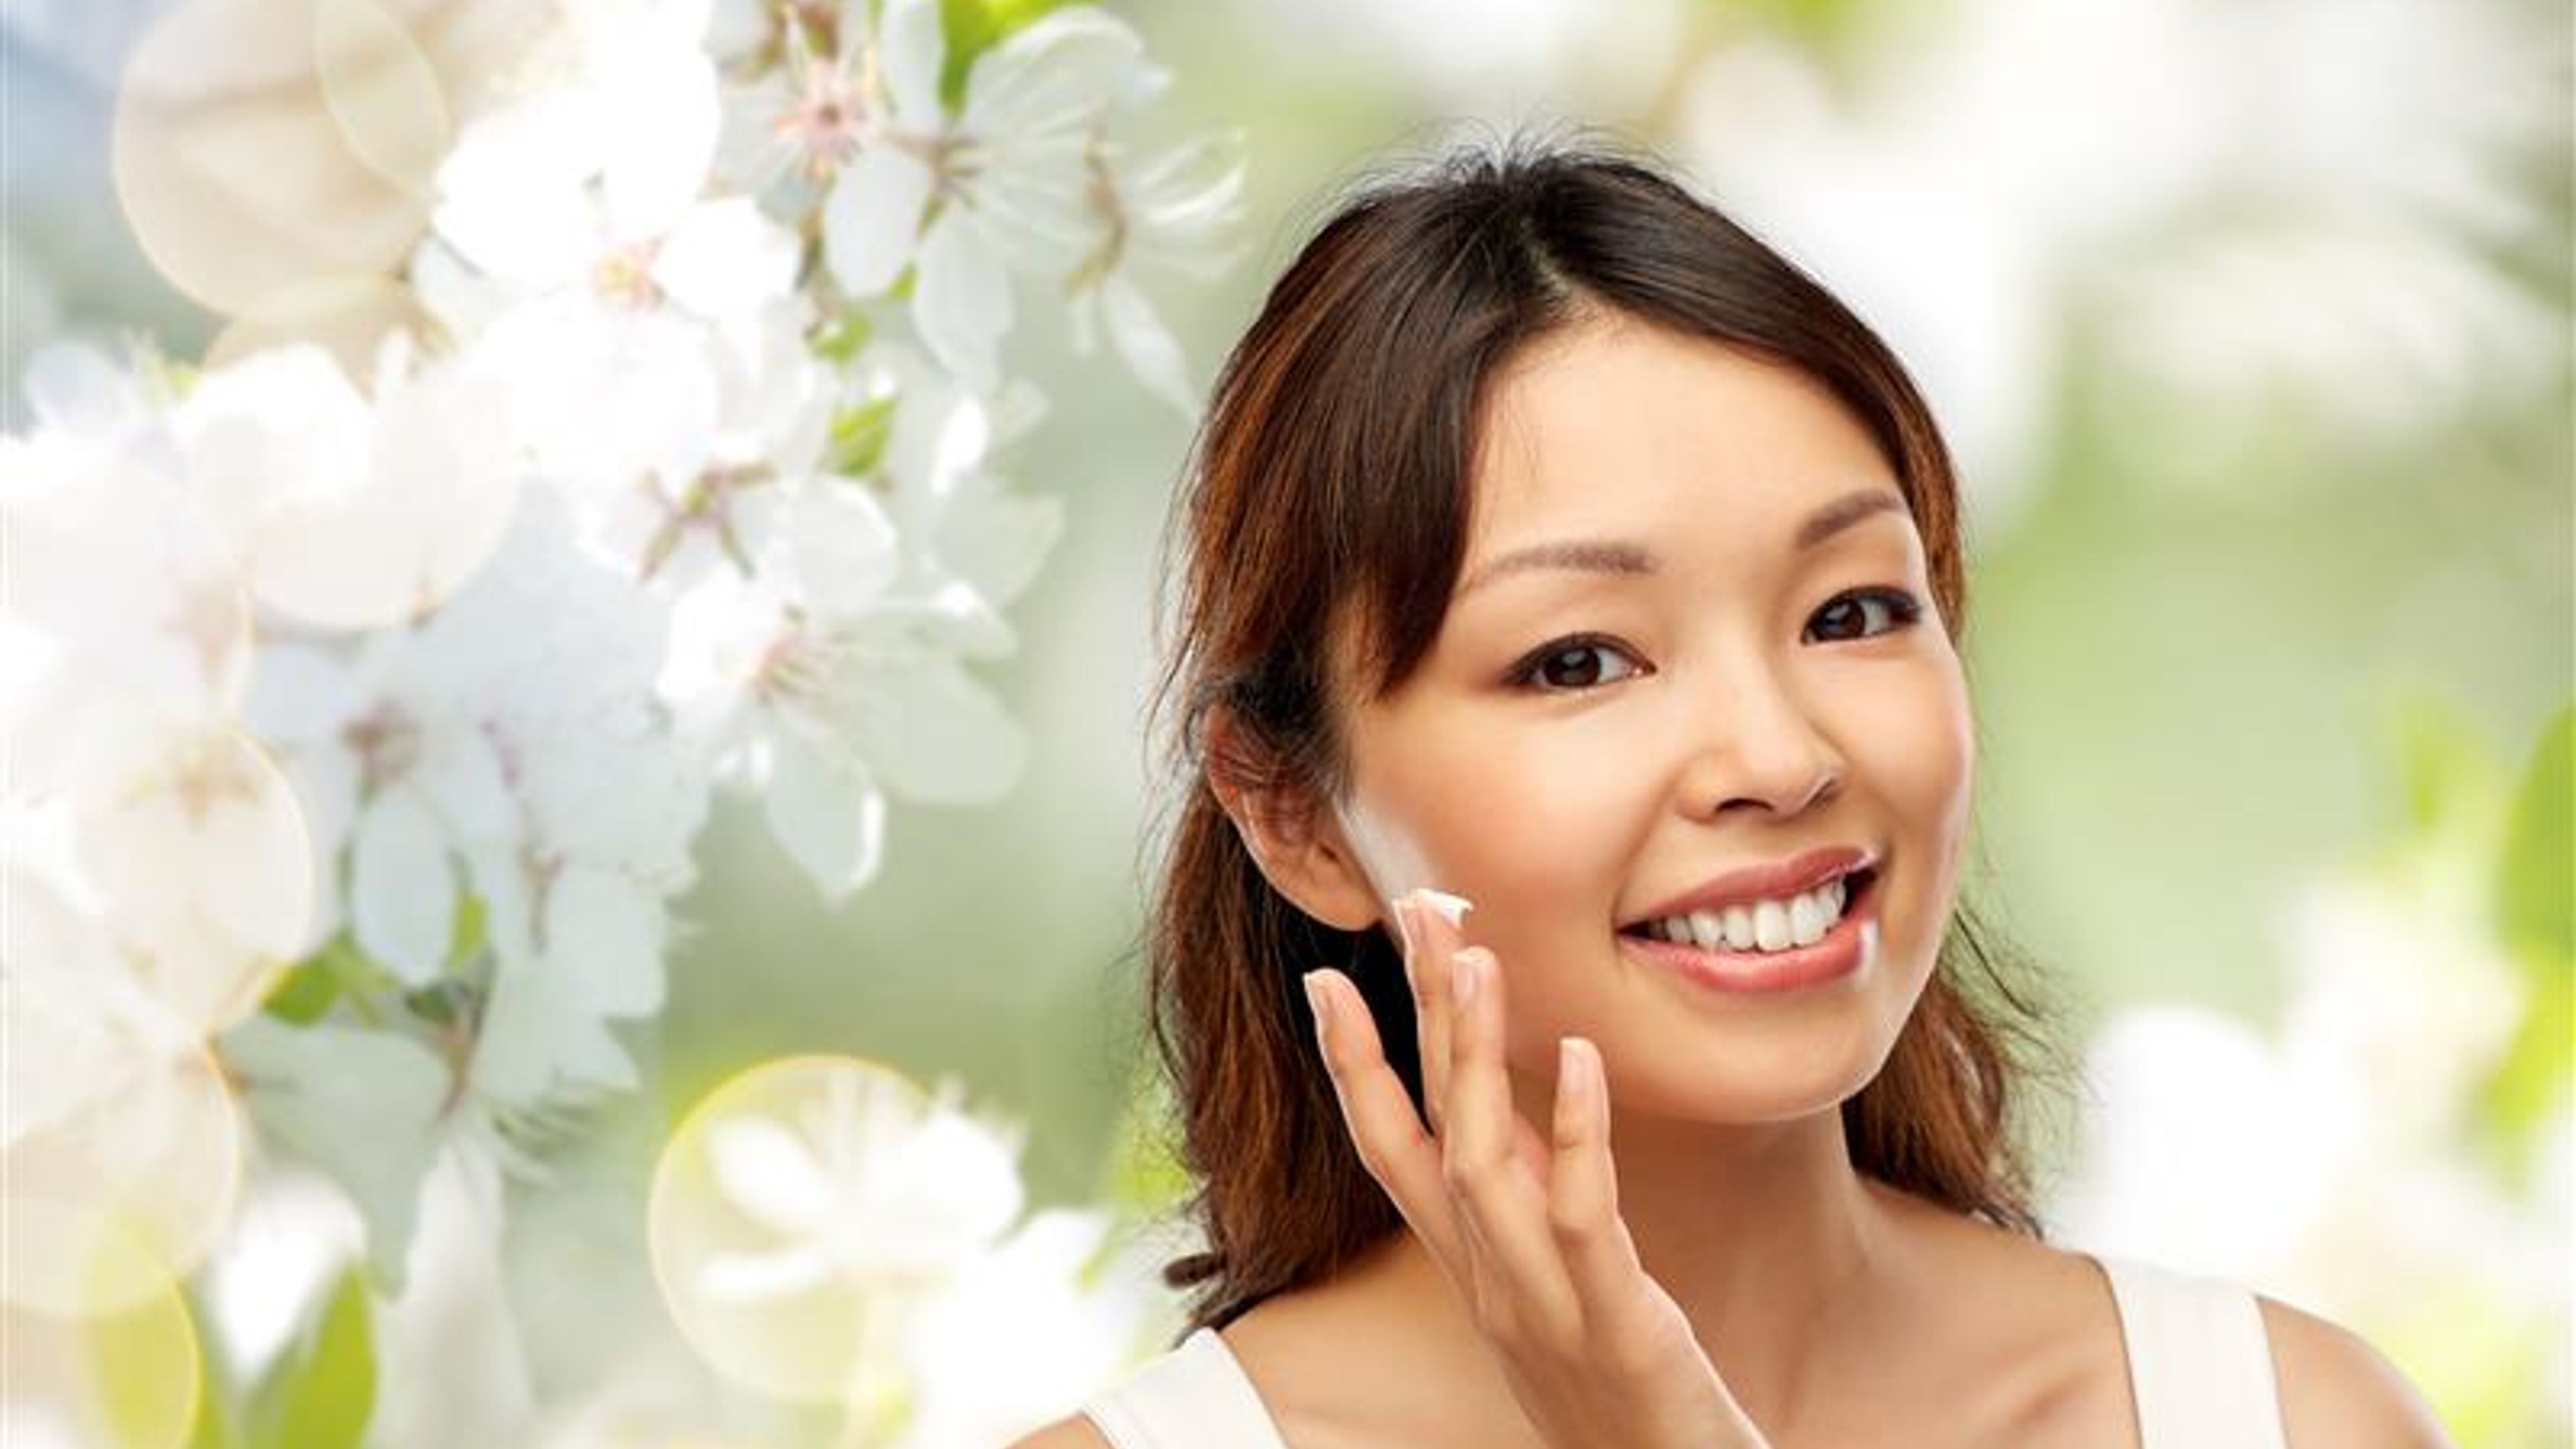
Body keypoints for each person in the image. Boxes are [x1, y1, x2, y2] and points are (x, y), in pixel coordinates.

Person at [1012, 134, 2456, 1448]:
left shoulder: (2286, 1417)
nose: (1779, 759)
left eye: (1850, 614)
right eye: (1579, 661)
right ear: (1296, 815)